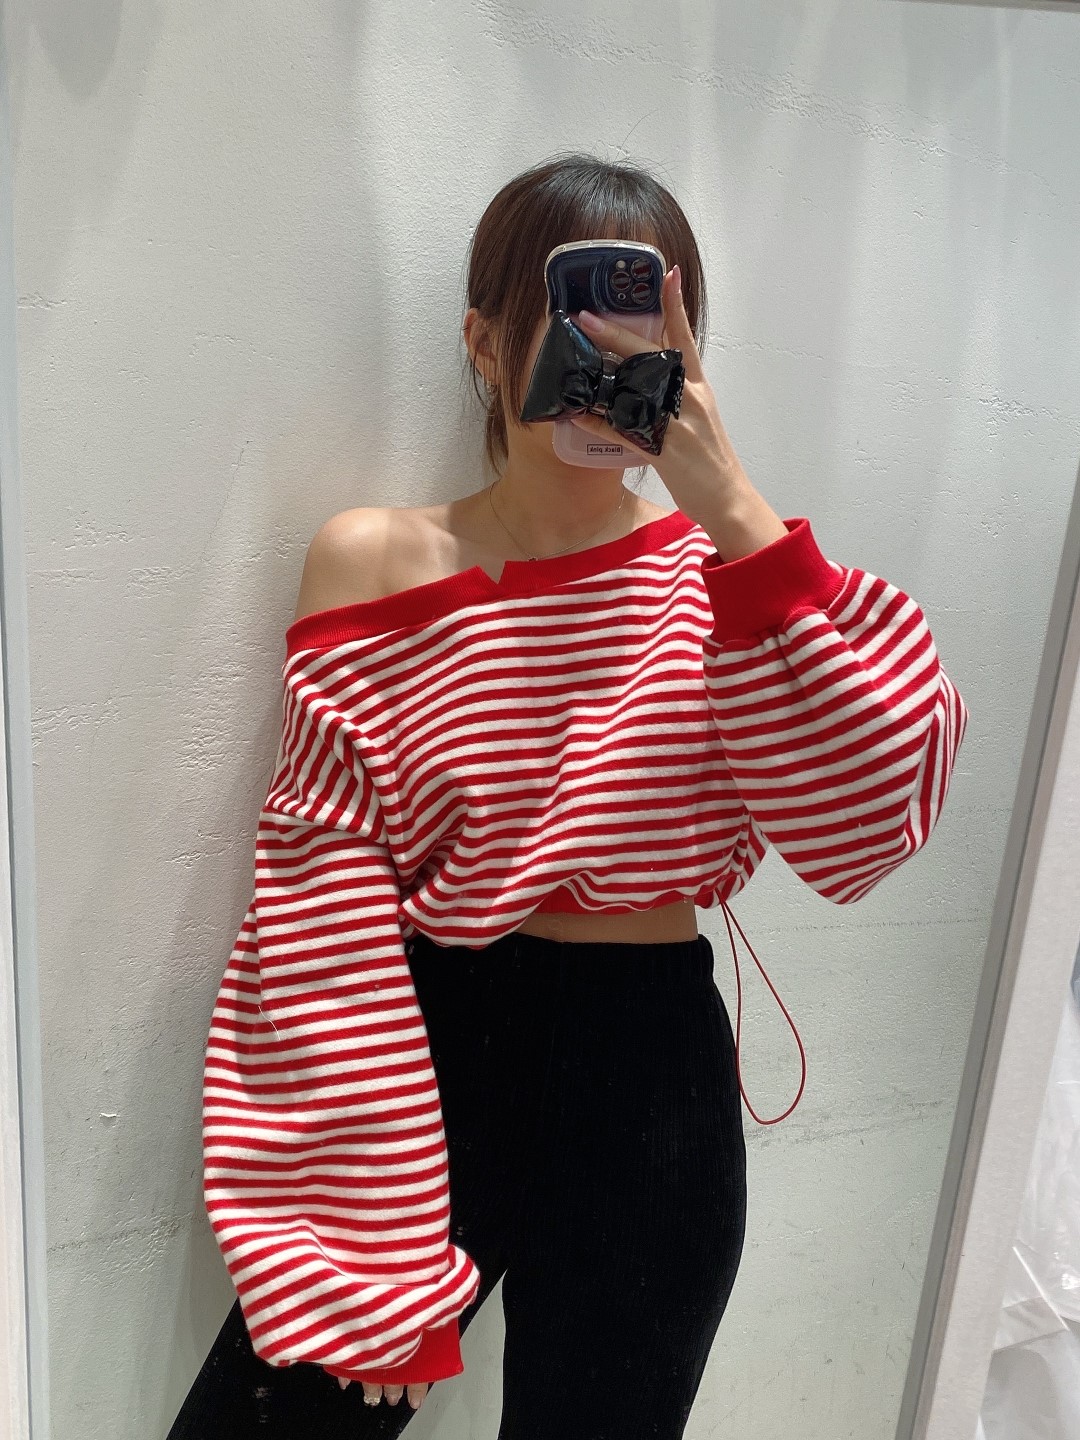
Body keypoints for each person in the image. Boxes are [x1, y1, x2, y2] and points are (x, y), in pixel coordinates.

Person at [171, 152, 969, 1440]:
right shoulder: (375, 561)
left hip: (653, 1075)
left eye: (649, 322)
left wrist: (731, 504)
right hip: (428, 1044)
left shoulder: (728, 582)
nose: (609, 353)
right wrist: (366, 1248)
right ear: (488, 340)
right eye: (572, 315)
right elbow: (318, 898)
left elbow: (865, 826)